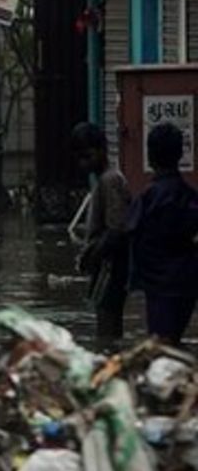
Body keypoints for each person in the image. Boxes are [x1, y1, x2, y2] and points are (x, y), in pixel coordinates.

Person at [126, 122, 198, 344]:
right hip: (186, 284)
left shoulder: (147, 198)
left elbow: (128, 233)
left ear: (150, 156)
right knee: (171, 342)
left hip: (157, 286)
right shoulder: (190, 196)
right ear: (179, 155)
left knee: (160, 347)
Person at [72, 122, 131, 340]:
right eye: (80, 157)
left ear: (102, 150)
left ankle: (109, 360)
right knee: (105, 318)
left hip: (111, 266)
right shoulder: (104, 180)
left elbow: (117, 230)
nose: (83, 163)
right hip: (106, 264)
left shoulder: (110, 180)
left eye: (87, 156)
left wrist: (91, 255)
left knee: (107, 322)